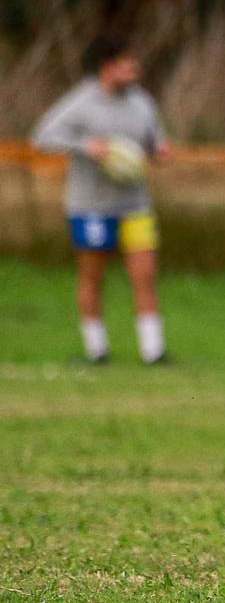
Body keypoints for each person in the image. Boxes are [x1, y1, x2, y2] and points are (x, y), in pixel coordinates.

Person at [29, 36, 173, 366]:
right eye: (126, 65)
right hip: (91, 207)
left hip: (135, 205)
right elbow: (41, 138)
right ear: (107, 68)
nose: (133, 71)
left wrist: (158, 151)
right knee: (93, 276)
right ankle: (97, 351)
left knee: (145, 273)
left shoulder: (142, 103)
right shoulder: (81, 102)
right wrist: (86, 147)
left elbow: (153, 141)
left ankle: (153, 352)